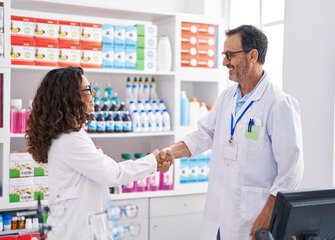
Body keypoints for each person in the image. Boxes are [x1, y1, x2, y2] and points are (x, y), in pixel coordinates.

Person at [160, 25, 304, 239]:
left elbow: (291, 170)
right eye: (224, 55)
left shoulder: (279, 103)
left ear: (252, 55)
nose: (224, 61)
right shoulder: (227, 97)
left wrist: (268, 214)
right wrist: (171, 152)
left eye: (230, 55)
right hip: (219, 216)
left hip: (253, 218)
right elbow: (204, 134)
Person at [26, 66, 173, 240]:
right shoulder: (69, 139)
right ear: (70, 97)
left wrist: (153, 165)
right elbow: (113, 174)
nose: (94, 94)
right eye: (88, 90)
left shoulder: (70, 135)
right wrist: (153, 161)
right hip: (75, 232)